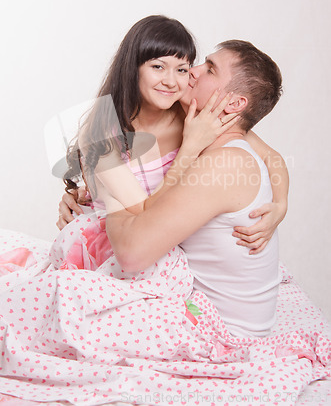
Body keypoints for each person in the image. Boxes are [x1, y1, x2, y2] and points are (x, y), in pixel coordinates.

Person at [57, 16, 288, 263]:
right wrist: (189, 149)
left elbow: (270, 156)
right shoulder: (103, 137)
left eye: (181, 69)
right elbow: (144, 214)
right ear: (132, 67)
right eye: (157, 67)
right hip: (116, 246)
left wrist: (281, 206)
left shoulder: (188, 112)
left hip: (166, 244)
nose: (170, 81)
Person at [104, 39, 284, 337]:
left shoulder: (225, 163)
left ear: (235, 103)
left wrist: (108, 180)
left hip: (220, 331)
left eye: (210, 69)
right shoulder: (219, 145)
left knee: (69, 299)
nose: (194, 70)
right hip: (204, 308)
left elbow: (131, 254)